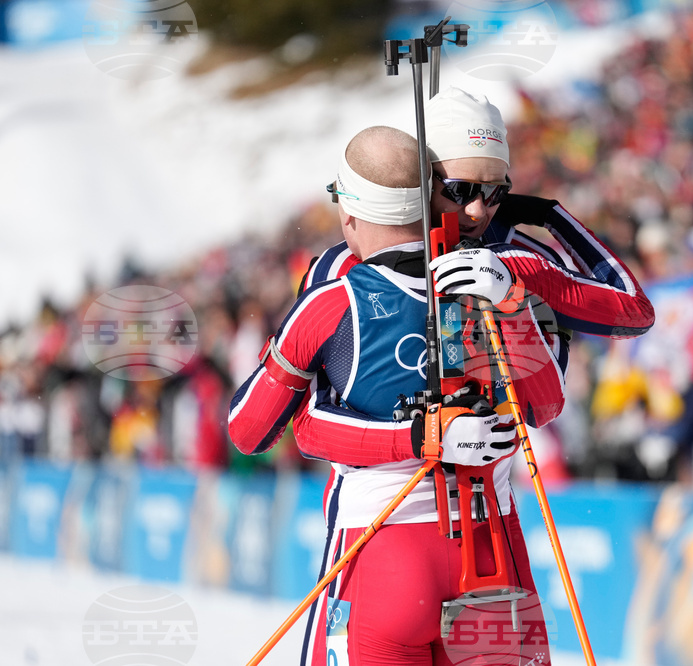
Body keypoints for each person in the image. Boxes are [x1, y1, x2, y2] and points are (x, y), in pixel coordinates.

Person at [293, 87, 655, 665]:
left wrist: (546, 219)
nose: (479, 211)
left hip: (489, 537)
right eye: (461, 190)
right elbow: (309, 425)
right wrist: (419, 436)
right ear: (420, 182)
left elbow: (632, 312)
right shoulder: (348, 264)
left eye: (496, 192)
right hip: (380, 527)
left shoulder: (511, 255)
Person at [228, 125, 566, 665]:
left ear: (350, 214)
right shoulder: (497, 281)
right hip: (493, 553)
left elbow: (249, 430)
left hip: (381, 552)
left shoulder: (330, 303)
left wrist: (418, 435)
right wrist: (511, 301)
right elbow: (545, 407)